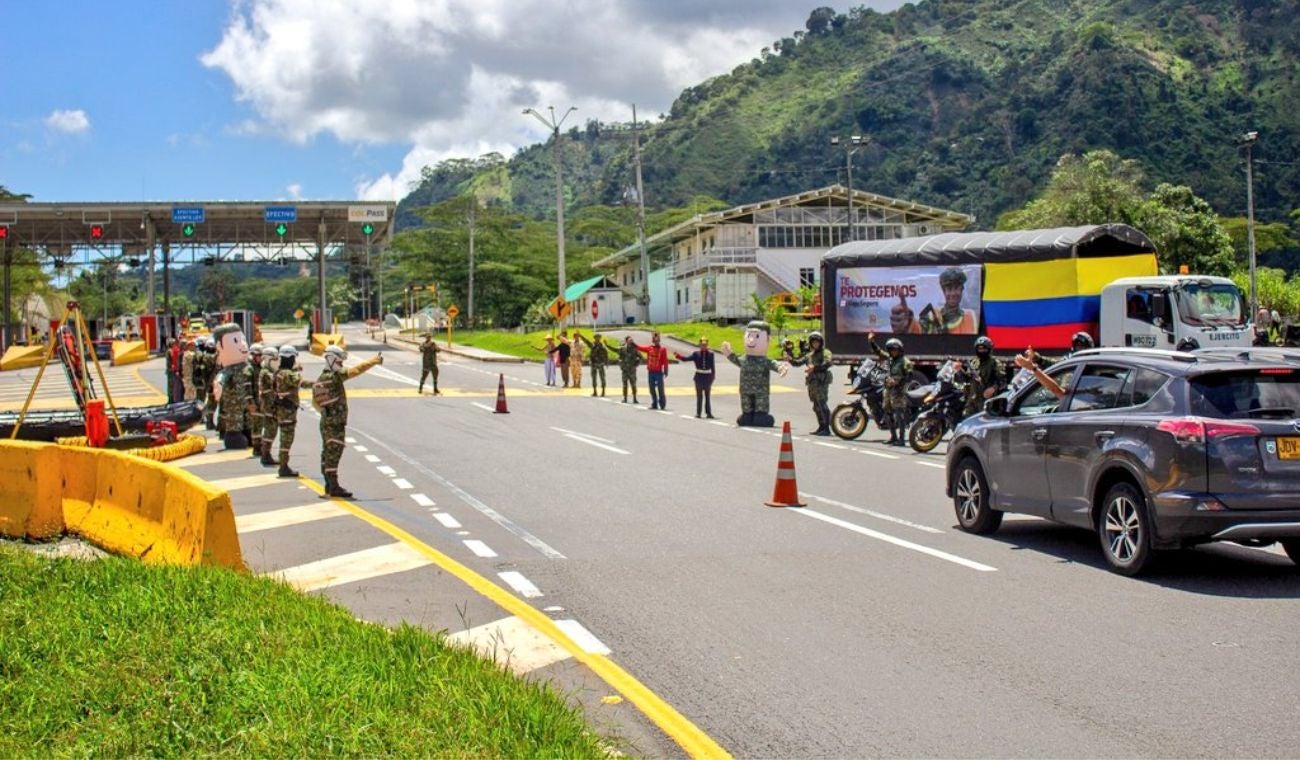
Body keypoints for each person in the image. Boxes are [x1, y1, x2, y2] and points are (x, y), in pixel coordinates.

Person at [315, 345, 382, 498]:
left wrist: (327, 413)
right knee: (334, 452)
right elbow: (355, 371)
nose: (342, 365)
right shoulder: (334, 377)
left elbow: (316, 402)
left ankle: (328, 484)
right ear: (331, 359)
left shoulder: (321, 378)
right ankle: (333, 486)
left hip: (326, 421)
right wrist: (373, 361)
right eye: (339, 362)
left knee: (326, 452)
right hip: (335, 424)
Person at [720, 320, 788, 427]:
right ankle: (747, 415)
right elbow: (736, 360)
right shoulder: (744, 359)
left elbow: (773, 364)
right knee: (746, 407)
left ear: (767, 339)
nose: (751, 340)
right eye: (749, 336)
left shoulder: (764, 361)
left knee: (760, 408)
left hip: (761, 390)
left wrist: (781, 368)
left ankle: (760, 415)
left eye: (756, 336)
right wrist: (729, 353)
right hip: (745, 390)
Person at [272, 345, 314, 478]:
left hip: (281, 409)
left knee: (284, 438)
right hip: (287, 411)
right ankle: (283, 467)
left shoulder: (278, 372)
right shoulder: (289, 374)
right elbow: (303, 383)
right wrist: (319, 383)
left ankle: (283, 465)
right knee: (287, 439)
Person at [211, 324, 252, 450]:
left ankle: (249, 435)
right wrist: (218, 385)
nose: (243, 345)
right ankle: (233, 437)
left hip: (248, 399)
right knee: (234, 421)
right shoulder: (228, 370)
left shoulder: (248, 366)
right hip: (233, 402)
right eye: (236, 341)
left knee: (248, 419)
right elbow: (221, 378)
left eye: (243, 340)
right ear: (220, 346)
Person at [867, 331, 913, 445]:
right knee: (887, 413)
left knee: (899, 414)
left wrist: (898, 382)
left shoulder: (905, 362)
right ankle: (893, 436)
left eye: (895, 349)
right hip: (888, 390)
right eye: (891, 350)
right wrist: (871, 341)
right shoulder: (889, 358)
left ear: (900, 350)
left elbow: (909, 376)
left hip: (898, 391)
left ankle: (901, 439)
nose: (893, 352)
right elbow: (878, 352)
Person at [787, 331, 834, 435]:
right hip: (812, 383)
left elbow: (828, 362)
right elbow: (797, 363)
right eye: (813, 342)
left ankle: (827, 428)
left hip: (821, 382)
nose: (815, 344)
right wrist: (789, 357)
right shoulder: (809, 355)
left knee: (822, 404)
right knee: (816, 406)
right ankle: (821, 426)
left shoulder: (825, 352)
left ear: (821, 342)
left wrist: (815, 368)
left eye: (817, 342)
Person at [920, 268, 977, 335]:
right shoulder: (930, 317)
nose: (953, 294)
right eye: (949, 289)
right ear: (944, 292)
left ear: (961, 290)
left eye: (956, 288)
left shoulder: (970, 316)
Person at [674, 336, 717, 418]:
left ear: (707, 345)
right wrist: (678, 356)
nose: (704, 346)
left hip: (707, 377)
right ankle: (698, 413)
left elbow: (713, 366)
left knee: (707, 397)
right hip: (699, 377)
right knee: (699, 397)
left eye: (705, 345)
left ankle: (709, 413)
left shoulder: (711, 354)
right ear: (700, 345)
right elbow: (685, 359)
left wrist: (713, 376)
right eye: (702, 345)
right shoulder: (696, 354)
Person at [965, 336, 1007, 417]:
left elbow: (1003, 381)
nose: (981, 351)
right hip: (972, 400)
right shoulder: (973, 362)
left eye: (984, 349)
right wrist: (959, 371)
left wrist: (993, 388)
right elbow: (966, 379)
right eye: (979, 349)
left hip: (987, 401)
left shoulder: (995, 363)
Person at [256, 345, 280, 466]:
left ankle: (266, 453)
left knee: (272, 430)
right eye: (275, 360)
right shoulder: (266, 372)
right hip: (268, 406)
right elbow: (276, 381)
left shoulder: (269, 371)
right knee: (270, 430)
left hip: (271, 405)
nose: (277, 363)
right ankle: (265, 454)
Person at [635, 331, 671, 410]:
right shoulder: (649, 348)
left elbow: (665, 361)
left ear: (659, 340)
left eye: (657, 340)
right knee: (651, 389)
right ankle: (654, 403)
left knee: (660, 389)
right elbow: (640, 348)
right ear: (653, 340)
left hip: (658, 372)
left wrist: (666, 371)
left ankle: (662, 404)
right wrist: (634, 345)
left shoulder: (662, 349)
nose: (656, 341)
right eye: (655, 340)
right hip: (651, 372)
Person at [243, 342, 266, 454]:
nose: (261, 358)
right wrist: (250, 402)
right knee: (256, 426)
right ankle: (257, 448)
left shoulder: (257, 368)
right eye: (259, 355)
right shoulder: (249, 369)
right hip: (254, 402)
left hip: (259, 401)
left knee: (259, 424)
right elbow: (247, 387)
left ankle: (258, 446)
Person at [608, 335, 641, 403]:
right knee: (625, 384)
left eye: (632, 341)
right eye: (629, 341)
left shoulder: (635, 349)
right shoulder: (622, 349)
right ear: (626, 341)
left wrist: (636, 364)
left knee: (633, 384)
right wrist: (607, 345)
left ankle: (635, 398)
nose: (631, 342)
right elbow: (614, 349)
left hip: (632, 370)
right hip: (625, 370)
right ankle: (625, 398)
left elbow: (640, 357)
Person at [577, 333, 610, 397]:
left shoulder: (602, 346)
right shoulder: (592, 344)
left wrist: (606, 362)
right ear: (594, 338)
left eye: (598, 337)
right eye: (596, 337)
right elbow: (586, 340)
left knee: (602, 377)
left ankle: (603, 391)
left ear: (600, 338)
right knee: (593, 378)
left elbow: (606, 354)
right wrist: (580, 335)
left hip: (600, 363)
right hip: (594, 363)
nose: (597, 338)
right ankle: (595, 391)